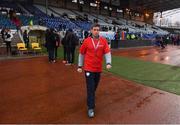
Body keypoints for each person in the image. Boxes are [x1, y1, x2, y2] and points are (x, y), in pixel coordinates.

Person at [77, 23, 112, 118]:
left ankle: (90, 98)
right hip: (88, 68)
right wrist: (80, 65)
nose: (96, 31)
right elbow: (81, 53)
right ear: (91, 30)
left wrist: (108, 63)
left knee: (94, 87)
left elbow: (107, 52)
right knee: (91, 87)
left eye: (97, 29)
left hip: (98, 69)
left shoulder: (103, 41)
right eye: (94, 29)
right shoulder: (86, 41)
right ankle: (91, 108)